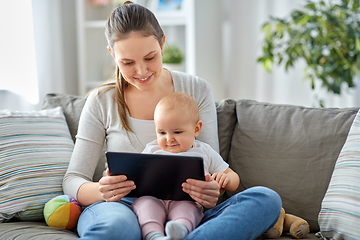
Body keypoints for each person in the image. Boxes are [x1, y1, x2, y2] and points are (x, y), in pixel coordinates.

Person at [62, 1, 282, 239]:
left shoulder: (195, 89)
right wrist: (101, 191)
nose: (142, 71)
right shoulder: (101, 101)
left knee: (266, 199)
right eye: (127, 63)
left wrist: (211, 191)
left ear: (162, 43)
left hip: (187, 210)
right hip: (122, 207)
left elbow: (207, 161)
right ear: (112, 55)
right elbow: (73, 179)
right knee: (116, 228)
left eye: (150, 57)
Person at [132, 92, 240, 240]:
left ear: (196, 129)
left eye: (177, 132)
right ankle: (154, 236)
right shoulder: (152, 149)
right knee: (145, 205)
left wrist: (225, 178)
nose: (169, 138)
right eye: (162, 132)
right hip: (154, 199)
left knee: (188, 211)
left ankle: (179, 232)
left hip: (187, 200)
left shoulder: (204, 150)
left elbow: (233, 178)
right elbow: (137, 175)